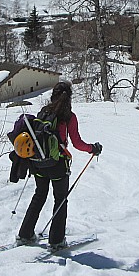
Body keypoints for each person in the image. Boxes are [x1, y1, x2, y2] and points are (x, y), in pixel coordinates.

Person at [17, 81, 102, 250]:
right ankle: (56, 240)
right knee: (60, 200)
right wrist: (93, 148)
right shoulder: (68, 116)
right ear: (69, 97)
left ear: (53, 95)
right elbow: (77, 143)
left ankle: (25, 234)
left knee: (39, 195)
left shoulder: (43, 112)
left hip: (38, 163)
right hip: (57, 165)